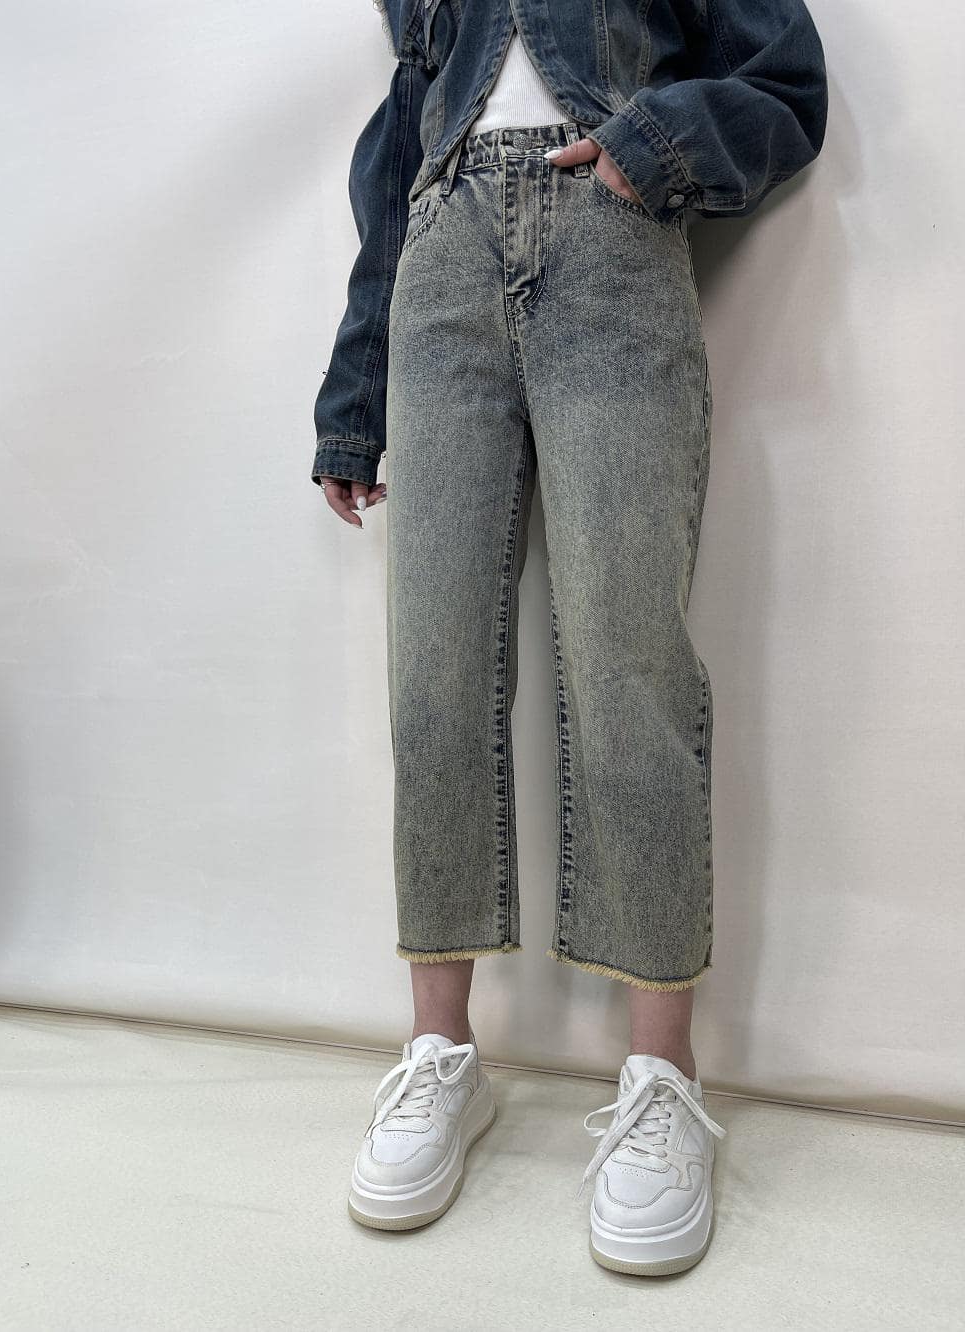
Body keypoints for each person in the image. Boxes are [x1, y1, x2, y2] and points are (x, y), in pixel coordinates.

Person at [311, 0, 828, 1276]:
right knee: (431, 670)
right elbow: (400, 148)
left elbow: (784, 85)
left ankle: (661, 1076)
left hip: (611, 241)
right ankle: (442, 1053)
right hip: (442, 262)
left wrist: (650, 148)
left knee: (626, 665)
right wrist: (355, 395)